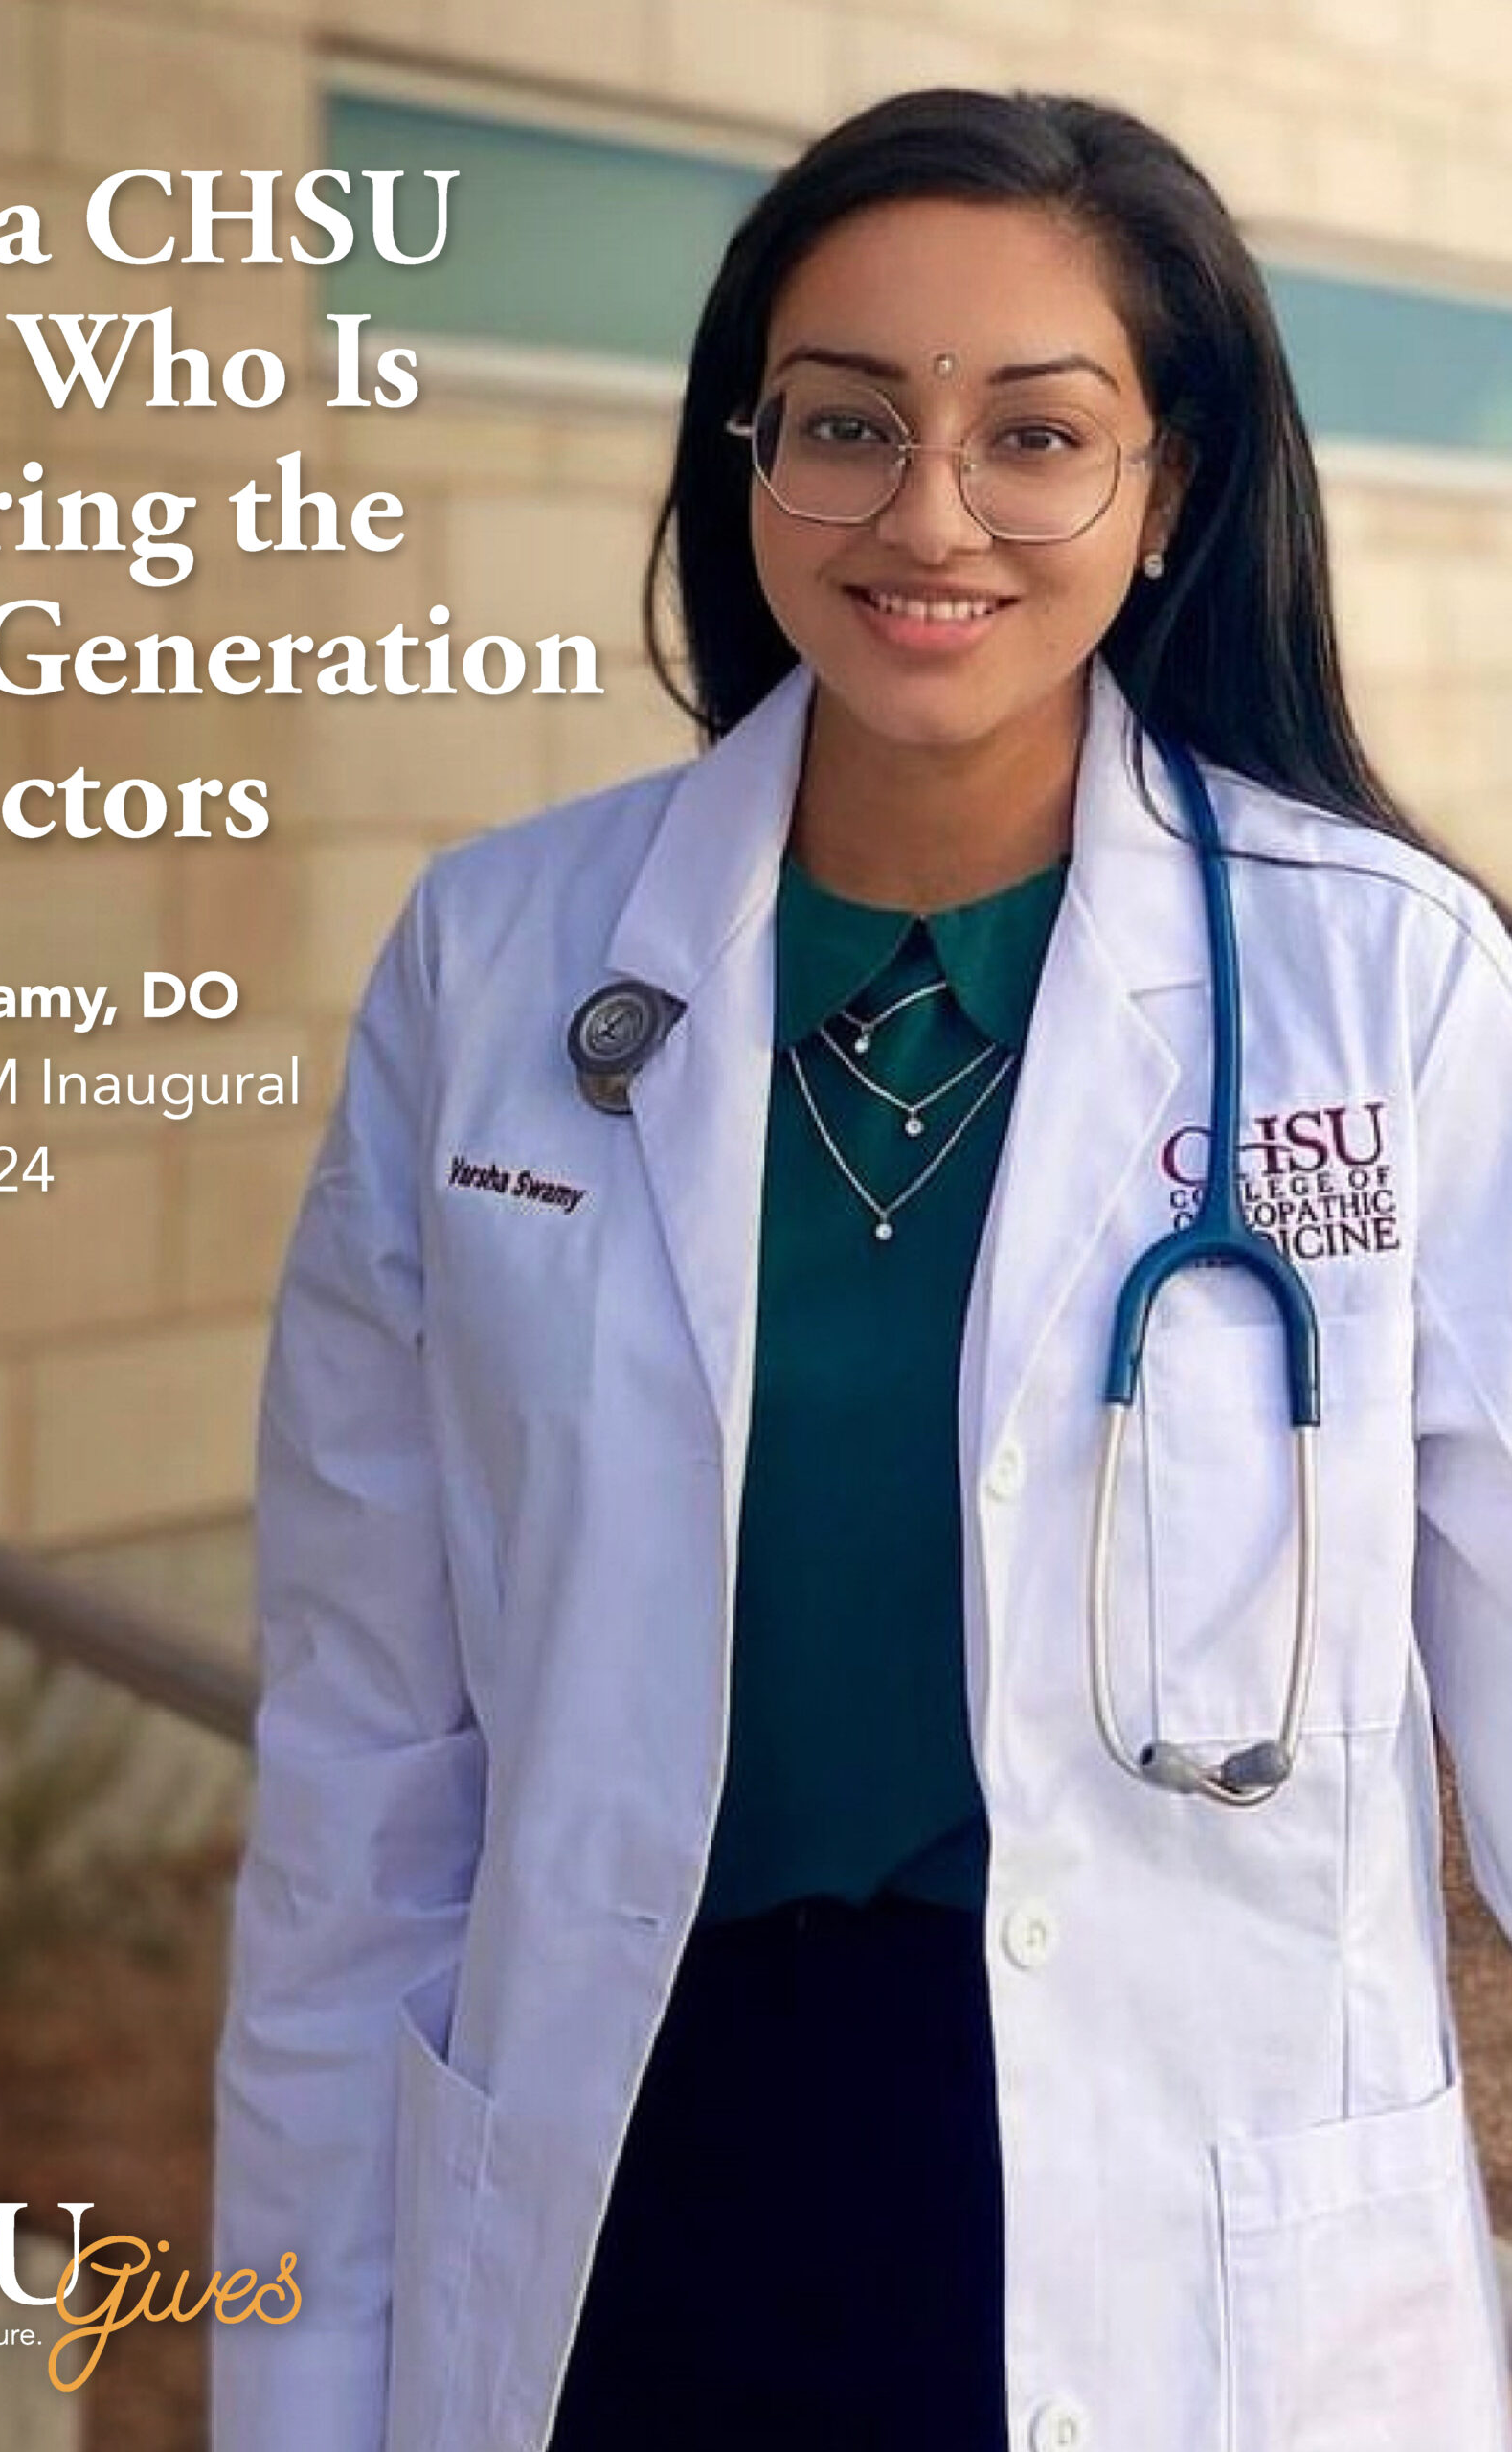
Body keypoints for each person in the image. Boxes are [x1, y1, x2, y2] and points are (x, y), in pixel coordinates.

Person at [210, 85, 1512, 2452]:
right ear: (747, 459)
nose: (929, 514)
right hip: (631, 2174)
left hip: (1163, 2197)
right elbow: (364, 1761)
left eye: (1036, 431)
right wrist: (303, 2366)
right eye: (843, 423)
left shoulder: (1390, 988)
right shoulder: (496, 963)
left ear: (1168, 488)